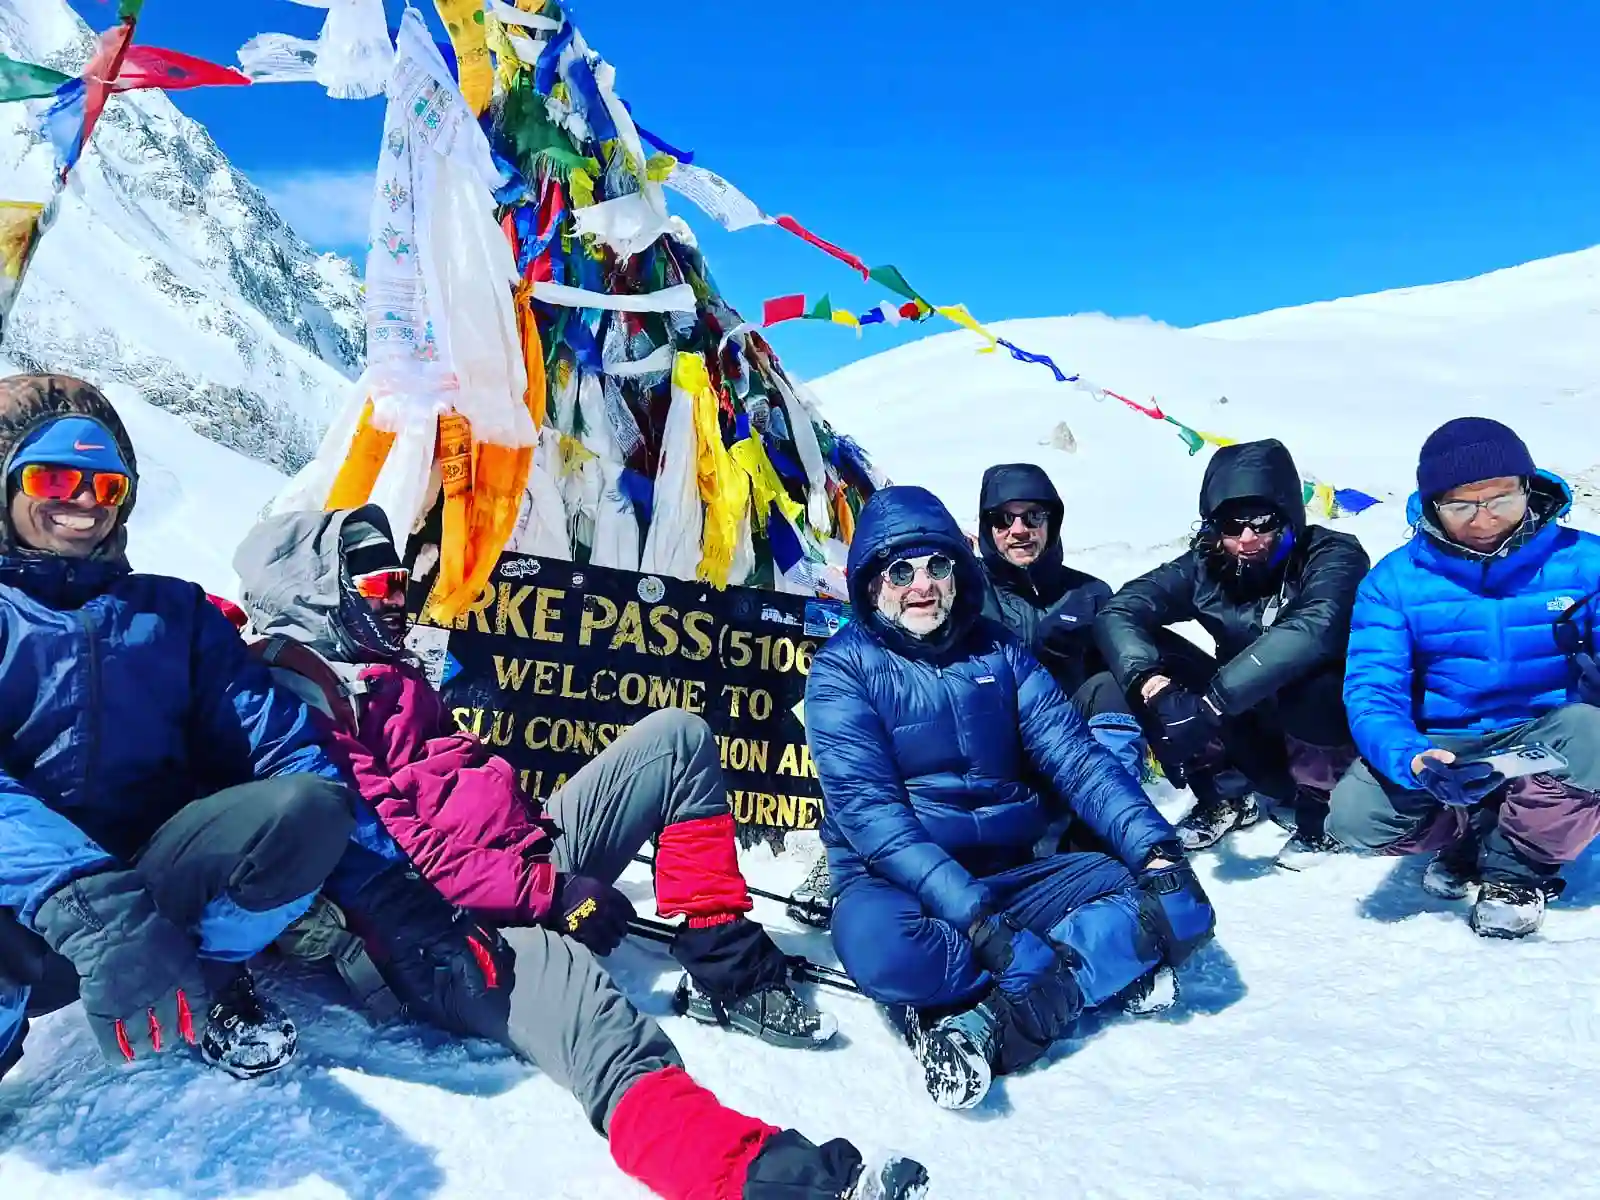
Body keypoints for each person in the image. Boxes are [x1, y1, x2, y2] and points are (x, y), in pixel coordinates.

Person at [231, 506, 927, 1200]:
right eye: (378, 585)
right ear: (322, 590)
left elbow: (455, 779)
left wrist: (540, 855)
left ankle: (725, 961)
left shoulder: (382, 667)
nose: (396, 598)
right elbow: (408, 864)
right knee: (606, 1036)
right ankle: (771, 1181)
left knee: (675, 738)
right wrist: (551, 894)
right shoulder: (301, 704)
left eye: (397, 582)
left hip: (521, 860)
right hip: (443, 939)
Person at [0, 373, 402, 1085]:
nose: (84, 503)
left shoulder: (173, 613)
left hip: (158, 878)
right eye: (55, 478)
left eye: (107, 486)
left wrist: (392, 891)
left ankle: (208, 972)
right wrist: (85, 901)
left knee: (307, 807)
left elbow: (281, 747)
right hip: (32, 907)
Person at [805, 484, 1214, 1111]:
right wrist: (980, 922)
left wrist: (1157, 849)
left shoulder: (1000, 652)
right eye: (901, 570)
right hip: (902, 882)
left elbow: (1078, 761)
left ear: (957, 572)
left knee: (1157, 895)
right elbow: (872, 818)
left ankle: (991, 1012)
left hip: (1012, 875)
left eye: (937, 566)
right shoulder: (842, 670)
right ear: (870, 583)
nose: (922, 585)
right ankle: (1080, 968)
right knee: (884, 949)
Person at [1329, 417, 1600, 939]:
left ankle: (1516, 869)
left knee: (1596, 734)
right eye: (1461, 505)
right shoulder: (1394, 581)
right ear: (1432, 505)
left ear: (1529, 488)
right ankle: (1470, 830)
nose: (1484, 520)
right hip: (1450, 743)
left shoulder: (1586, 562)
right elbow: (1372, 689)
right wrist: (1413, 758)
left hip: (1551, 733)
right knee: (1355, 818)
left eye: (1500, 499)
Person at [1092, 439, 1370, 866]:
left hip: (1334, 740)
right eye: (1231, 524)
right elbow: (1121, 610)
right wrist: (1156, 686)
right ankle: (1227, 795)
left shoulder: (1333, 554)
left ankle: (1321, 815)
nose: (1247, 538)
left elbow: (1319, 625)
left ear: (1288, 514)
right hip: (1253, 728)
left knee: (1316, 679)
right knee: (1148, 661)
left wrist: (1214, 702)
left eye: (1261, 521)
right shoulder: (1205, 567)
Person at [975, 463, 1145, 780]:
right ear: (988, 528)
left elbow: (1125, 679)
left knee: (1113, 683)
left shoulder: (1090, 594)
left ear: (1052, 523)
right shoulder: (965, 589)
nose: (1019, 530)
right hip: (991, 750)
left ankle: (1112, 802)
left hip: (1071, 747)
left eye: (1033, 516)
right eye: (1003, 519)